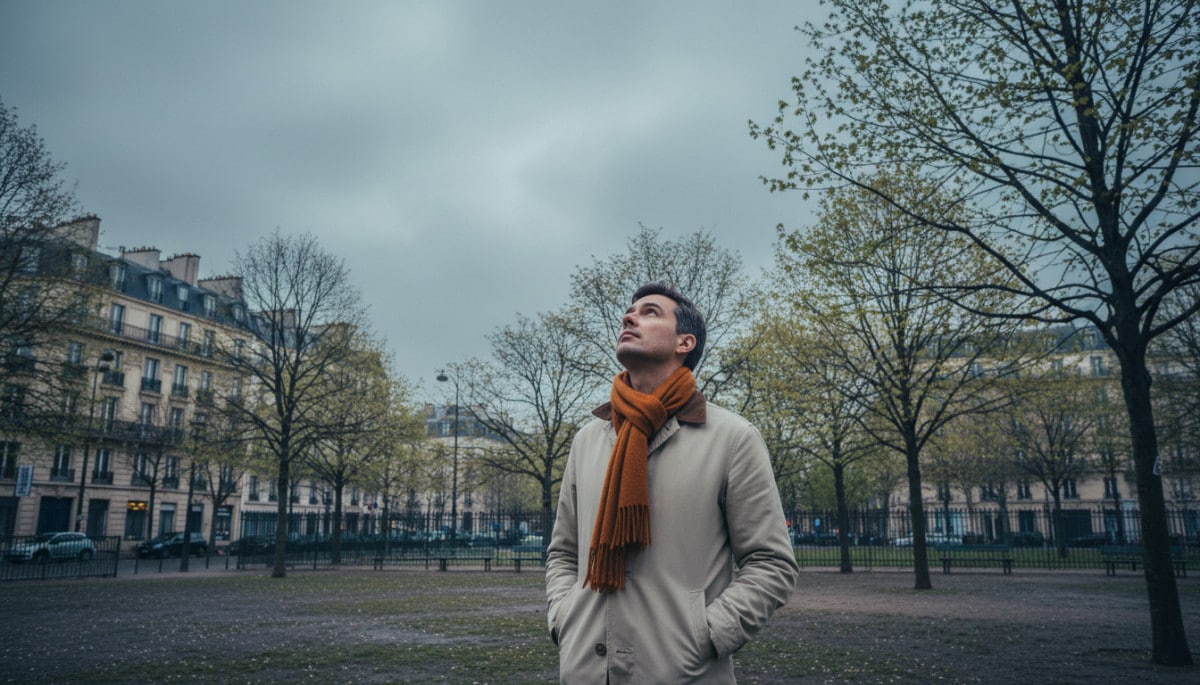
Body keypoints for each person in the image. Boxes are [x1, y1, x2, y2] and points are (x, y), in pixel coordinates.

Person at [545, 281, 799, 684]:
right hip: (587, 671)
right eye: (629, 312)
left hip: (683, 673)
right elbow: (563, 552)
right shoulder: (588, 439)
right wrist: (565, 617)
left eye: (649, 312)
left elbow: (771, 564)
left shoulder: (732, 438)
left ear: (685, 342)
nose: (629, 317)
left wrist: (705, 635)